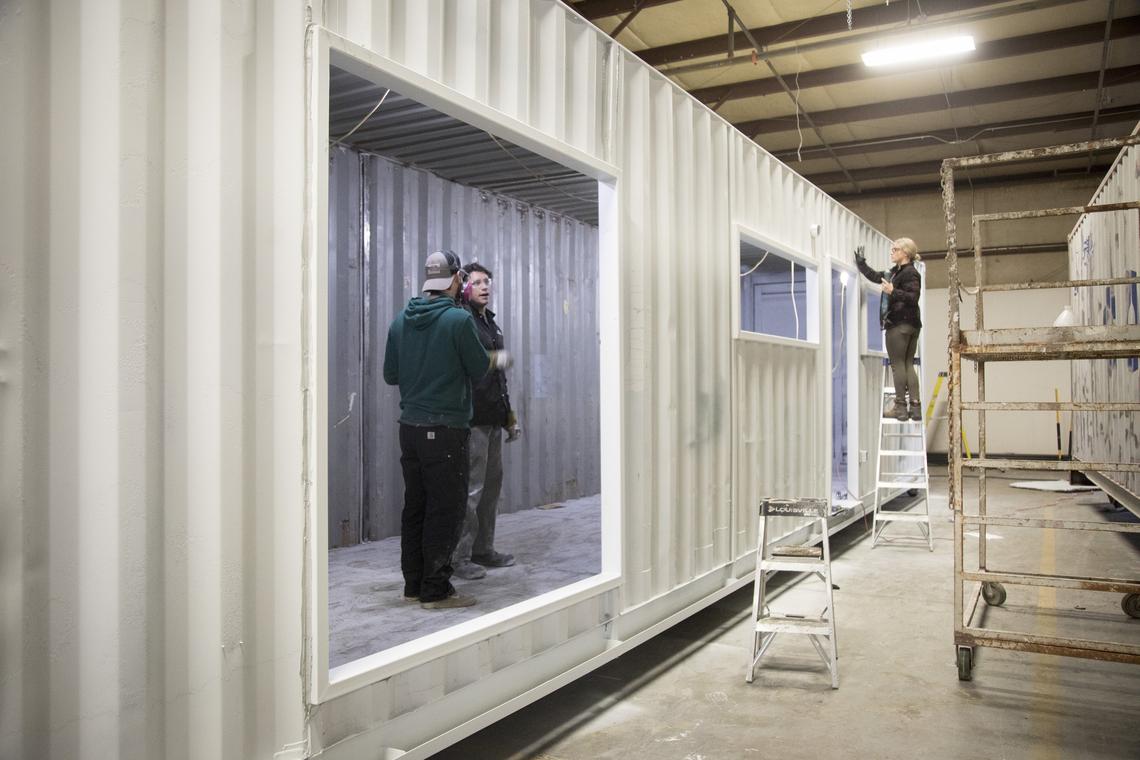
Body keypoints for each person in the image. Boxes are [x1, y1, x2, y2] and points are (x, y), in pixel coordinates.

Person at [383, 250, 512, 609]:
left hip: (409, 428)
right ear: (456, 279)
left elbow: (390, 375)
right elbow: (478, 368)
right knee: (446, 508)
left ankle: (413, 585)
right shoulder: (458, 321)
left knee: (416, 505)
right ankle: (436, 590)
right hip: (447, 428)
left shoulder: (400, 320)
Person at [451, 263, 521, 580]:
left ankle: (483, 549)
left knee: (491, 489)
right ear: (464, 287)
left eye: (487, 282)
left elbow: (499, 378)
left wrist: (510, 418)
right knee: (471, 490)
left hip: (493, 417)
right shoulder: (462, 321)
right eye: (478, 282)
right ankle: (459, 556)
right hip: (472, 418)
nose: (485, 287)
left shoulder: (491, 324)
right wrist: (497, 358)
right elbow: (467, 363)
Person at [855, 238, 923, 421]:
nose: (891, 252)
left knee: (898, 365)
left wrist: (893, 291)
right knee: (907, 364)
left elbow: (913, 297)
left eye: (895, 249)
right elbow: (877, 277)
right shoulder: (895, 272)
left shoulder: (910, 273)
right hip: (910, 325)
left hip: (900, 324)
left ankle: (900, 407)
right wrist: (861, 264)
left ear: (905, 253)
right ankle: (915, 408)